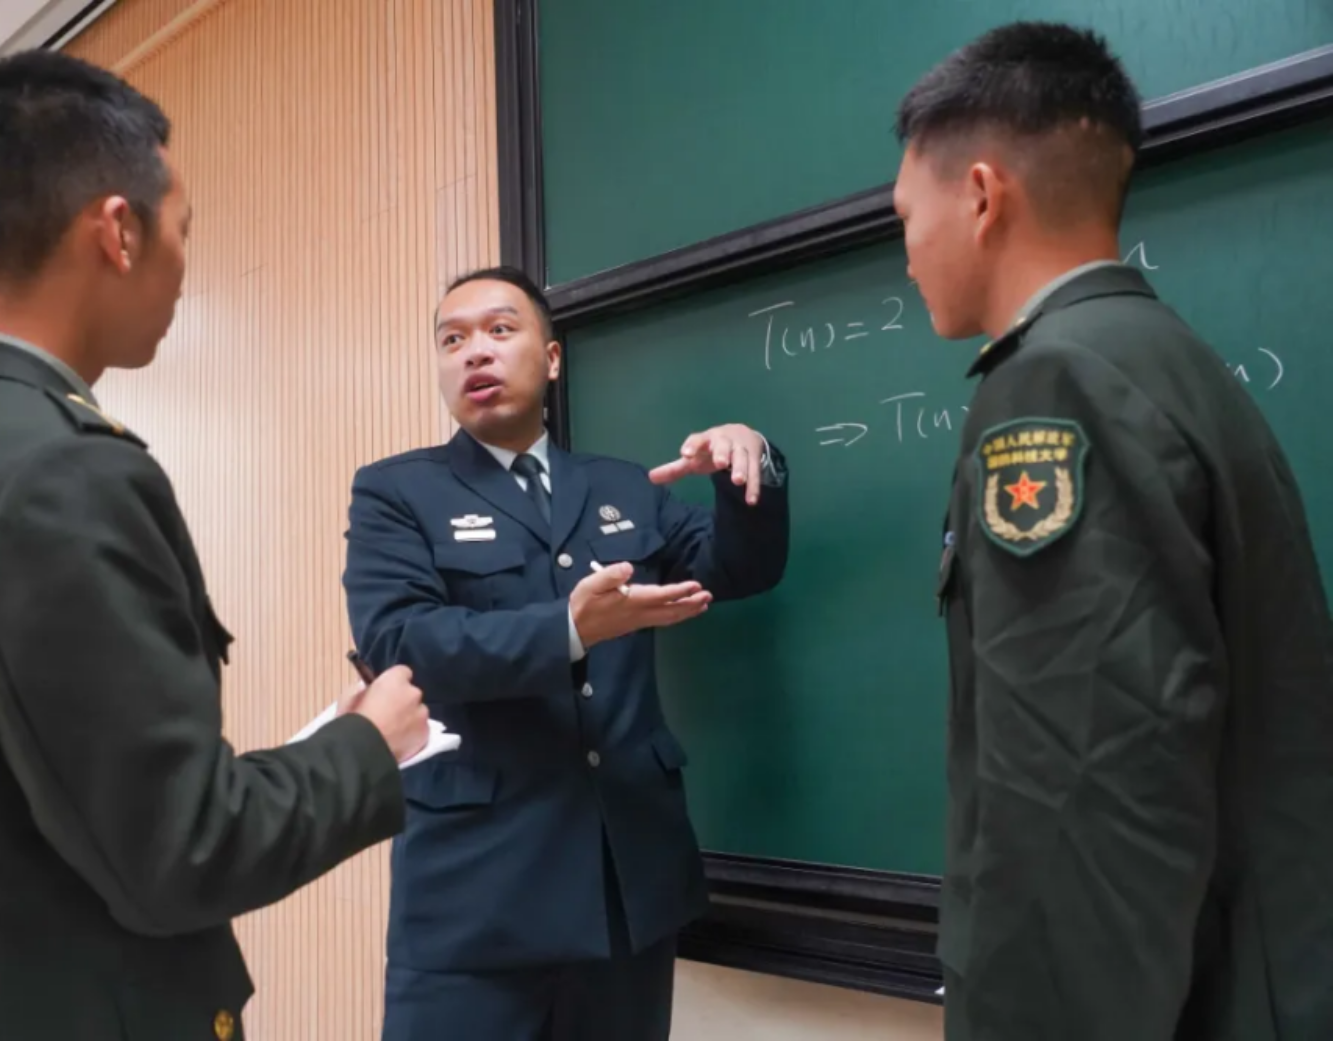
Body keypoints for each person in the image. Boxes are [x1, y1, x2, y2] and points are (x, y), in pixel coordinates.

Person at [0, 51, 430, 1041]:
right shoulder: (61, 471)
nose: (185, 264)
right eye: (183, 228)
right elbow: (179, 848)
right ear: (118, 230)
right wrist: (367, 746)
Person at [895, 21, 1333, 1040]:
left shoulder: (1056, 384)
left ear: (980, 195)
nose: (905, 255)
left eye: (905, 217)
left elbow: (1081, 795)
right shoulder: (1161, 356)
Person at [340, 265, 790, 1040]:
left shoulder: (622, 485)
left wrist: (751, 467)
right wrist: (568, 630)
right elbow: (399, 641)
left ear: (551, 358)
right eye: (452, 340)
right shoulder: (396, 491)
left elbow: (737, 567)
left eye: (499, 329)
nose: (474, 352)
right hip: (475, 899)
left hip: (625, 884)